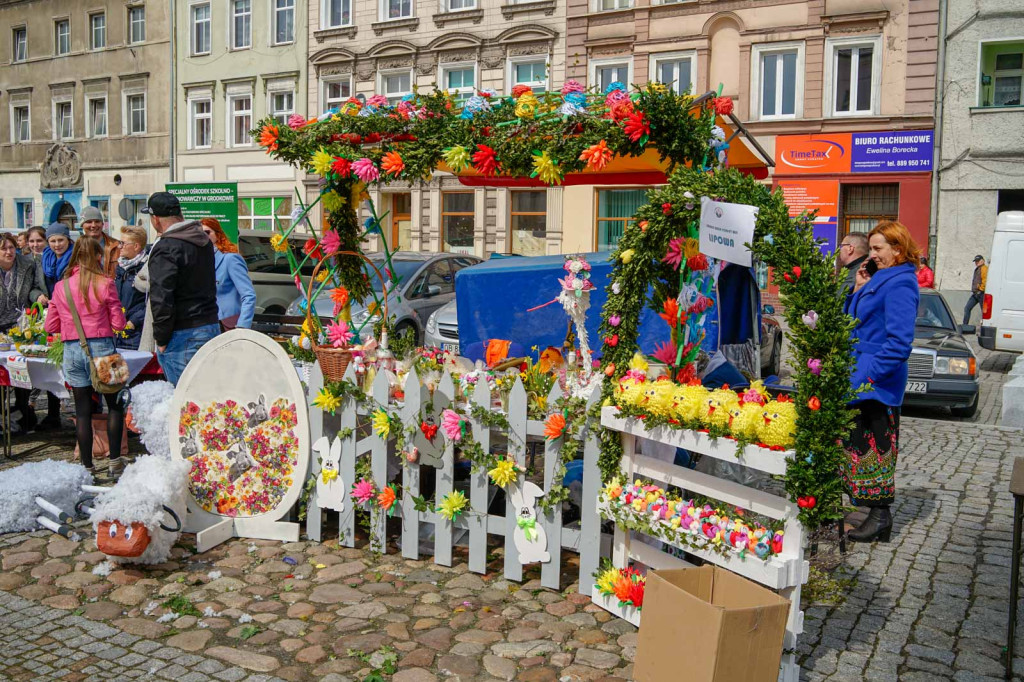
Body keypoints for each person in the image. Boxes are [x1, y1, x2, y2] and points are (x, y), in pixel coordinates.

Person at [843, 220, 921, 543]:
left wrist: (867, 376)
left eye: (878, 249)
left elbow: (900, 343)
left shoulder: (901, 283)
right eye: (871, 248)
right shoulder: (879, 278)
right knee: (861, 445)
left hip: (877, 383)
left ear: (897, 250)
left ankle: (880, 518)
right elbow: (853, 323)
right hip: (862, 378)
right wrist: (859, 289)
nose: (871, 254)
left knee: (878, 448)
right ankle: (874, 516)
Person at [44, 237, 127, 477]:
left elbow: (51, 325)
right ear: (98, 257)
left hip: (72, 348)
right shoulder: (106, 283)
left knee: (82, 410)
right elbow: (118, 323)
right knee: (114, 406)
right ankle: (114, 463)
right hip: (104, 348)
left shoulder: (61, 286)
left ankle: (87, 467)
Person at [143, 192, 219, 385]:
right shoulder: (202, 241)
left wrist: (161, 339)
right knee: (206, 401)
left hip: (183, 333)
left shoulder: (167, 246)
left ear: (156, 219)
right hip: (209, 325)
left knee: (184, 403)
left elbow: (161, 297)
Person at [0, 234, 49, 432]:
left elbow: (33, 288)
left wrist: (38, 295)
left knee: (20, 370)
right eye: (4, 249)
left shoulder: (27, 264)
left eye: (12, 247)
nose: (9, 252)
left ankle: (22, 413)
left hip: (20, 325)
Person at [201, 218, 256, 330]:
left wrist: (242, 326)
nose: (203, 236)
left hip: (228, 324)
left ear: (218, 234)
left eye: (207, 232)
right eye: (199, 233)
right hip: (207, 324)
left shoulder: (230, 259)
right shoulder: (199, 260)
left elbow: (249, 295)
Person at [114, 226, 149, 350]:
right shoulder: (119, 267)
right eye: (119, 242)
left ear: (136, 246)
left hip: (135, 333)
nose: (119, 246)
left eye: (123, 243)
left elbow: (152, 301)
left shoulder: (146, 269)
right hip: (116, 333)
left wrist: (134, 321)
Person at [79, 206, 121, 278]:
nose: (93, 225)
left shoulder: (117, 246)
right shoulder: (76, 248)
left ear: (102, 224)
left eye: (97, 221)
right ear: (82, 225)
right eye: (89, 222)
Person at [42, 222, 73, 296]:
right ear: (48, 242)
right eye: (53, 241)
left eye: (61, 240)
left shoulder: (76, 259)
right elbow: (37, 285)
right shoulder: (44, 258)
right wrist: (39, 295)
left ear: (68, 240)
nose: (57, 244)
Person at [963, 255, 988, 325]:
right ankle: (965, 325)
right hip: (975, 294)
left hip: (982, 294)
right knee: (967, 308)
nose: (976, 263)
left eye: (978, 261)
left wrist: (980, 287)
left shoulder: (984, 269)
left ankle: (985, 326)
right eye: (976, 261)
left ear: (982, 260)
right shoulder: (978, 269)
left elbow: (985, 281)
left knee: (984, 312)